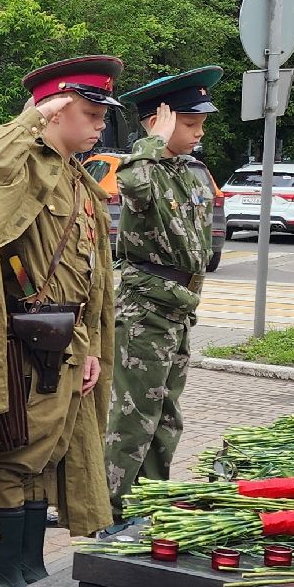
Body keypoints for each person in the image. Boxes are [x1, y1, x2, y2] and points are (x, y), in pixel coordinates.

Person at [0, 57, 119, 587]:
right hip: (20, 341)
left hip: (65, 339)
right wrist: (30, 122)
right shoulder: (27, 166)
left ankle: (29, 570)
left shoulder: (79, 180)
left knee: (47, 455)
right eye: (89, 112)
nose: (99, 124)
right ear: (56, 112)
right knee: (13, 454)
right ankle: (3, 578)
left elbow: (89, 278)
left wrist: (91, 348)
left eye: (101, 114)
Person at [103, 68, 221, 524]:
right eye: (190, 124)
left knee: (166, 418)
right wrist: (154, 140)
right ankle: (112, 514)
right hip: (145, 311)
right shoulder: (144, 169)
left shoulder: (187, 174)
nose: (199, 132)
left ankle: (149, 505)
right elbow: (129, 185)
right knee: (133, 421)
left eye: (199, 124)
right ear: (161, 122)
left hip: (177, 309)